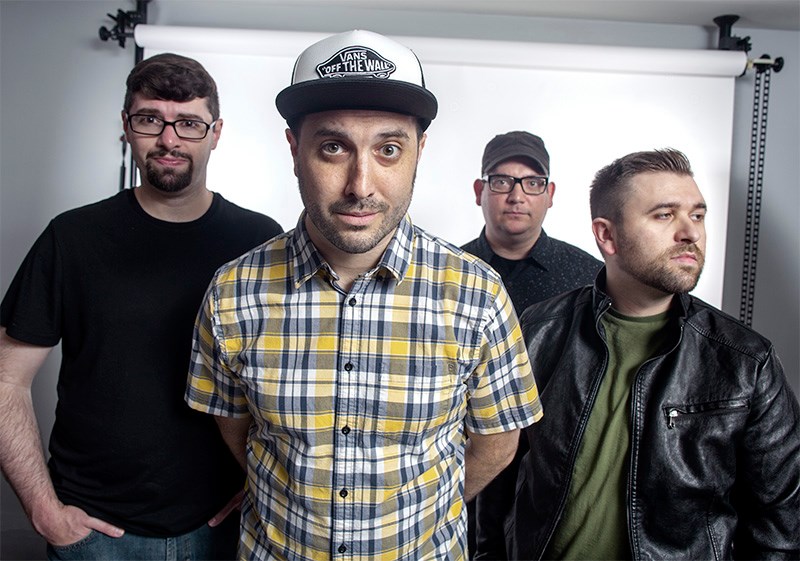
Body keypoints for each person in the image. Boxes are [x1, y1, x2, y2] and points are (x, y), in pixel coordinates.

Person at [185, 29, 542, 561]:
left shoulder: (478, 295)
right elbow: (237, 431)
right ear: (294, 150)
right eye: (333, 147)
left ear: (419, 152)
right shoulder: (232, 294)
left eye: (389, 150)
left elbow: (497, 443)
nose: (360, 185)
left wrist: (420, 515)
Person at [0, 53, 283, 559]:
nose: (169, 139)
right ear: (126, 127)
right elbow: (6, 380)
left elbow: (285, 381)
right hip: (94, 535)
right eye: (151, 119)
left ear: (215, 133)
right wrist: (44, 511)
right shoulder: (72, 237)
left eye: (189, 123)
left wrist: (263, 485)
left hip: (225, 528)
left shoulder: (259, 242)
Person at [482, 148, 800, 560]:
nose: (690, 232)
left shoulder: (746, 361)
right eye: (664, 215)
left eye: (698, 215)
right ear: (606, 235)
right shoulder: (539, 330)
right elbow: (498, 473)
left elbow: (781, 528)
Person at [463, 131, 602, 558]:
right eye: (502, 181)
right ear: (480, 191)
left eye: (532, 182)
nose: (516, 195)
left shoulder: (588, 277)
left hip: (552, 470)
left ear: (550, 194)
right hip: (465, 461)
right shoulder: (448, 274)